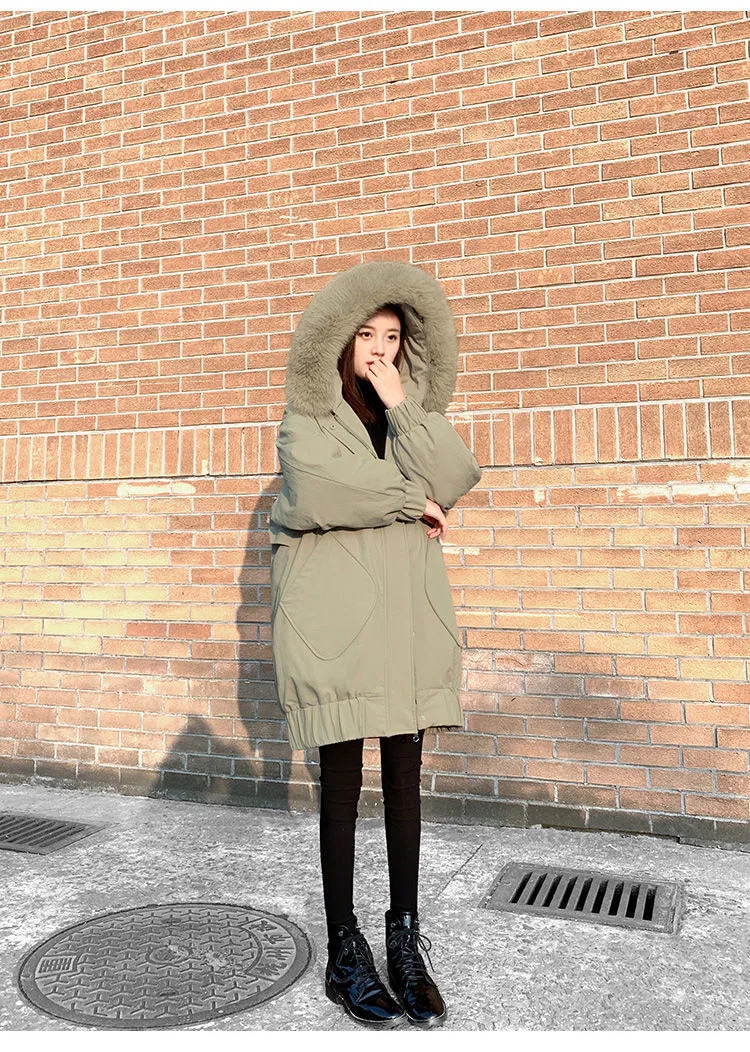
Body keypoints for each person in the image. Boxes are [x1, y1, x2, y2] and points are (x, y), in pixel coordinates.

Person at [268, 260, 482, 1028]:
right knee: (340, 784)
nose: (381, 349)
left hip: (406, 624)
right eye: (366, 335)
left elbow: (457, 473)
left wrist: (403, 407)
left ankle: (403, 940)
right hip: (337, 628)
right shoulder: (305, 419)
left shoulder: (409, 416)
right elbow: (322, 490)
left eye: (393, 337)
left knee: (404, 782)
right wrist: (409, 498)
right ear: (340, 339)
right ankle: (344, 949)